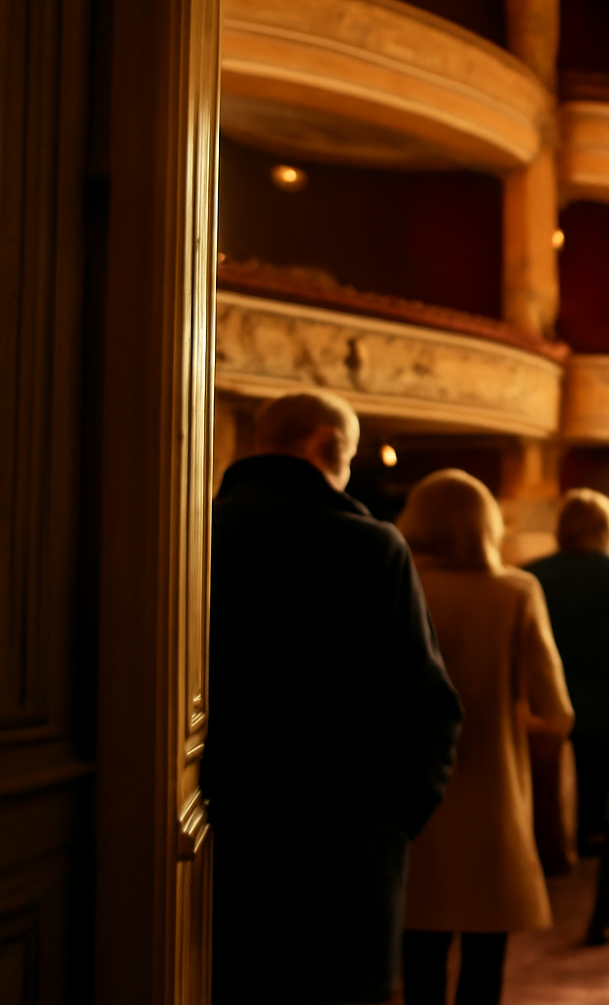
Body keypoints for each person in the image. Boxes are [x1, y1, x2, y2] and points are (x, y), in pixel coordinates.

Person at [203, 390, 463, 1005]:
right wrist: (396, 818)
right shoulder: (370, 544)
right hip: (345, 843)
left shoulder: (200, 531)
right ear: (326, 446)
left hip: (220, 825)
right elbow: (426, 703)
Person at [394, 469, 575, 1005]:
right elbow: (556, 709)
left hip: (412, 795)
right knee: (484, 956)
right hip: (493, 797)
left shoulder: (398, 584)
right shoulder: (516, 591)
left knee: (418, 955)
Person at [524, 490, 609, 858]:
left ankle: (555, 837)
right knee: (599, 779)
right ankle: (592, 835)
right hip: (605, 696)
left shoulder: (532, 572)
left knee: (548, 777)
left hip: (547, 693)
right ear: (607, 528)